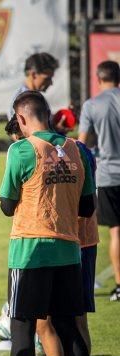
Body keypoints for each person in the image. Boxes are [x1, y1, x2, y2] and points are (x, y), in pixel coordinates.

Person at [0, 91, 95, 356]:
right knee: (69, 327)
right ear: (47, 115)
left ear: (21, 119)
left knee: (22, 330)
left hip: (29, 252)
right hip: (68, 251)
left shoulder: (21, 149)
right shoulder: (76, 150)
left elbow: (7, 204)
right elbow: (87, 207)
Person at [78, 60, 120, 302]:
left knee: (116, 231)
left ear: (98, 78)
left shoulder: (92, 105)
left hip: (108, 175)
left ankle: (119, 284)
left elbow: (82, 144)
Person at [8, 53, 60, 119]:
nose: (51, 83)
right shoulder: (21, 102)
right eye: (47, 78)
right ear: (33, 74)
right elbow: (32, 129)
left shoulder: (35, 96)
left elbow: (44, 126)